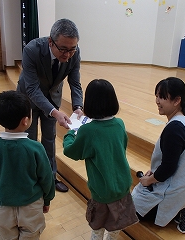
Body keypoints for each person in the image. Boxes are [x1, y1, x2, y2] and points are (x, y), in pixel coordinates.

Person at [63, 79, 139, 240]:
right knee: (116, 225)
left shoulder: (87, 131)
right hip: (123, 185)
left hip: (102, 191)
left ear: (89, 103)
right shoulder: (119, 124)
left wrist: (70, 134)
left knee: (97, 228)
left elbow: (72, 152)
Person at [0, 90, 55, 239]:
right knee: (31, 235)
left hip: (2, 206)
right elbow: (46, 178)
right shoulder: (35, 148)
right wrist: (47, 199)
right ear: (25, 121)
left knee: (7, 236)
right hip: (31, 205)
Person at [17, 18, 84, 192]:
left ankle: (50, 178)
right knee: (29, 141)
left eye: (72, 49)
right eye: (63, 49)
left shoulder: (74, 53)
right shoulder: (32, 50)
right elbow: (31, 88)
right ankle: (30, 180)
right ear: (50, 41)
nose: (67, 55)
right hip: (28, 99)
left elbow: (75, 83)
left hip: (52, 98)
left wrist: (78, 106)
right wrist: (54, 112)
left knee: (49, 140)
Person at [131, 77, 185, 234]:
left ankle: (178, 211)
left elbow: (168, 167)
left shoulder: (174, 129)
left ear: (176, 101)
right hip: (182, 189)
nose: (157, 101)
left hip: (171, 191)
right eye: (156, 96)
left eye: (162, 97)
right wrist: (154, 173)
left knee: (129, 207)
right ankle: (180, 209)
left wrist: (149, 179)